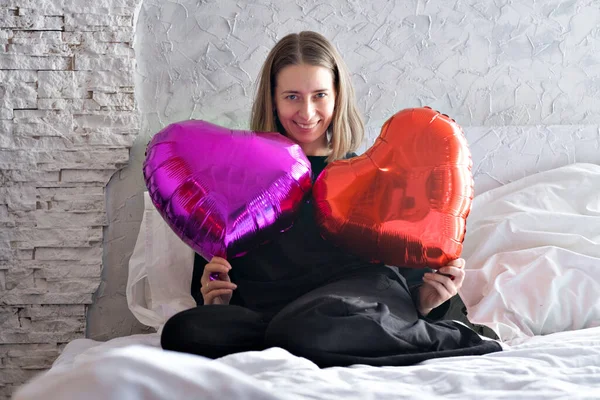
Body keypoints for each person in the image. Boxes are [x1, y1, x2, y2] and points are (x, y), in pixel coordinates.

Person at [160, 31, 502, 367]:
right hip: (274, 311)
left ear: (337, 97)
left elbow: (414, 278)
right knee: (184, 331)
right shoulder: (238, 180)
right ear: (273, 100)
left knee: (311, 325)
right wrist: (216, 301)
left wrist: (429, 302)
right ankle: (293, 339)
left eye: (319, 95)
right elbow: (212, 272)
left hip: (357, 301)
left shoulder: (369, 176)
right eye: (292, 96)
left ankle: (444, 340)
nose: (307, 112)